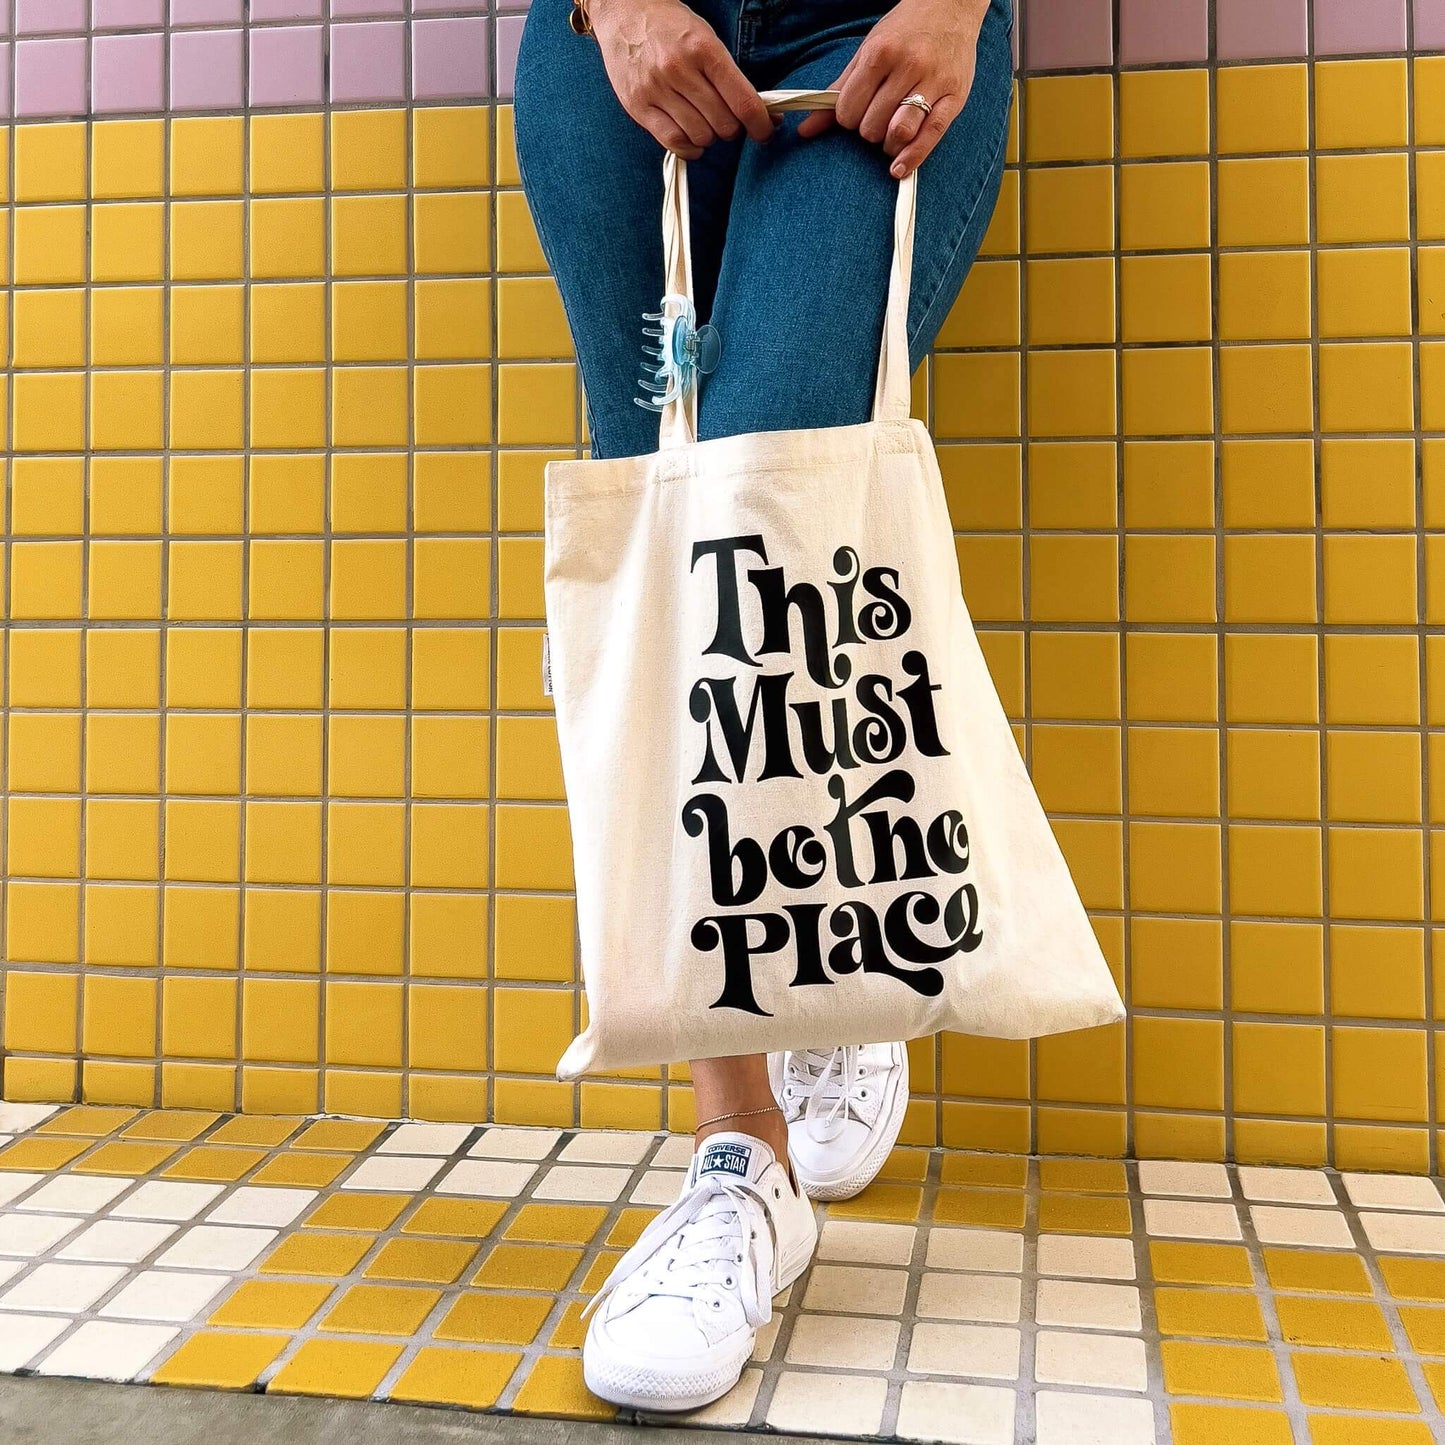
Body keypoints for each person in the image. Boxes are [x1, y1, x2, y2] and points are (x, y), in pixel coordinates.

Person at [513, 0, 1013, 1411]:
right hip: (613, 32)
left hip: (877, 17)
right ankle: (740, 1161)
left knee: (776, 484)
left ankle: (826, 938)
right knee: (663, 536)